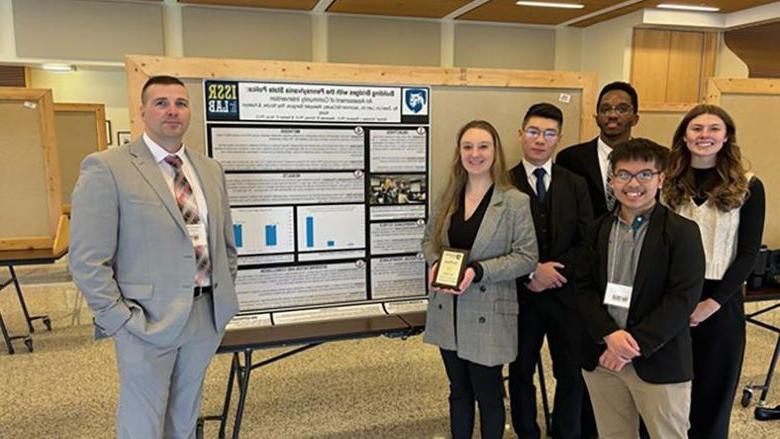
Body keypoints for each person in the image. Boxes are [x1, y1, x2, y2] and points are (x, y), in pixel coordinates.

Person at [69, 75, 239, 439]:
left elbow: (224, 243)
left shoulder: (209, 169)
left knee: (184, 413)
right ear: (142, 111)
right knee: (143, 420)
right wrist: (117, 318)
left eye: (181, 102)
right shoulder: (108, 167)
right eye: (161, 102)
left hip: (204, 314)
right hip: (144, 319)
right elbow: (87, 259)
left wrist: (223, 294)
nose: (172, 111)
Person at [578, 138, 705, 439]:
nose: (633, 183)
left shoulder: (682, 232)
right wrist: (609, 335)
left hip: (658, 360)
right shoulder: (597, 229)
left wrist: (629, 346)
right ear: (611, 180)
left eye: (644, 174)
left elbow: (682, 299)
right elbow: (582, 288)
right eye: (624, 174)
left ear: (660, 179)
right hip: (603, 358)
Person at [422, 120, 538, 438]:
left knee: (488, 395)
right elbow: (428, 242)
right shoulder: (448, 196)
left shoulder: (514, 201)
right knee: (458, 390)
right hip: (449, 310)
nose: (475, 154)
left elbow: (527, 257)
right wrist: (434, 263)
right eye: (468, 147)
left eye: (483, 146)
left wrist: (479, 271)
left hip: (489, 309)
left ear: (495, 151)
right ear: (459, 153)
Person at [662, 104, 765, 439]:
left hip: (721, 301)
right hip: (671, 296)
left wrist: (712, 303)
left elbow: (748, 254)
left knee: (713, 392)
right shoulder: (666, 182)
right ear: (684, 136)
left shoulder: (748, 185)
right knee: (668, 393)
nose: (704, 135)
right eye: (696, 128)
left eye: (713, 129)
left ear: (726, 136)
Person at [507, 103, 593, 439]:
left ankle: (566, 432)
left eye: (549, 133)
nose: (540, 140)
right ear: (520, 134)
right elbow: (495, 242)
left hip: (566, 294)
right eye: (533, 131)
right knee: (520, 369)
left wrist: (555, 272)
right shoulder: (503, 183)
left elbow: (588, 240)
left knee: (571, 371)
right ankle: (527, 431)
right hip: (519, 295)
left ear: (559, 138)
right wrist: (531, 272)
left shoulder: (575, 184)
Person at [557, 81, 640, 218]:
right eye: (605, 109)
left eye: (622, 109)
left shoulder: (653, 158)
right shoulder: (570, 159)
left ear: (635, 118)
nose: (612, 115)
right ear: (596, 118)